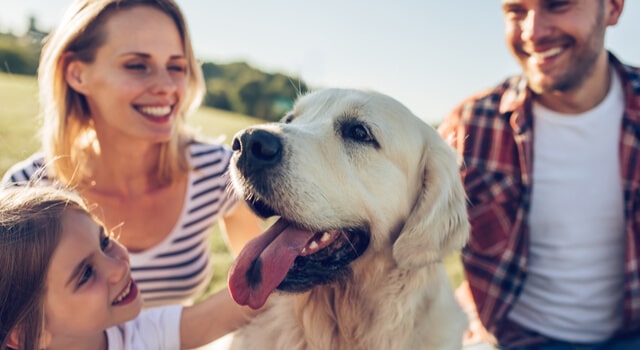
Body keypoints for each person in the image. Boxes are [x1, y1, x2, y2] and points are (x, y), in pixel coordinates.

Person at [2, 0, 263, 309]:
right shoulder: (27, 190)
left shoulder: (217, 170)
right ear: (77, 74)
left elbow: (259, 291)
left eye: (176, 67)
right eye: (137, 65)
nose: (167, 86)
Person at [439, 0, 640, 348]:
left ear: (613, 8)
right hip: (512, 338)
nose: (532, 31)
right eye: (516, 11)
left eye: (557, 5)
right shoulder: (471, 126)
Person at [0, 185, 259, 350]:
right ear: (25, 336)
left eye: (104, 242)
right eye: (86, 274)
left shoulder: (135, 336)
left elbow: (218, 315)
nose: (119, 267)